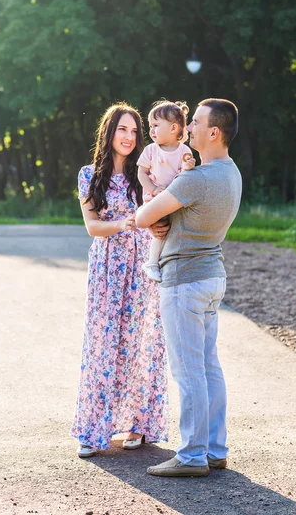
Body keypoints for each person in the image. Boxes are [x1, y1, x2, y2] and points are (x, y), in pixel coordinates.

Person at [136, 98, 242, 477]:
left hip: (185, 280)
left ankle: (192, 456)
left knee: (188, 371)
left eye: (195, 122)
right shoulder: (231, 174)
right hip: (212, 276)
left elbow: (143, 215)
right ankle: (215, 449)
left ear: (213, 132)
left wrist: (149, 219)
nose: (188, 128)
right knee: (209, 366)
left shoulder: (196, 178)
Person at [71, 102, 169, 458]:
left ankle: (138, 426)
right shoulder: (88, 175)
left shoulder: (145, 172)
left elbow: (164, 206)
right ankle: (93, 429)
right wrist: (125, 223)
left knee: (142, 343)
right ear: (109, 132)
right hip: (108, 267)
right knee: (103, 343)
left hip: (143, 263)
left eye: (134, 131)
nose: (128, 137)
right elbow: (93, 226)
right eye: (122, 129)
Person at [137, 100, 195, 283]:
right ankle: (152, 262)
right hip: (154, 198)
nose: (151, 130)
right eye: (150, 126)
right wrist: (153, 189)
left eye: (155, 125)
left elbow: (185, 175)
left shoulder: (184, 150)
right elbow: (141, 173)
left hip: (174, 198)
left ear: (173, 128)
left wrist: (188, 167)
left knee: (174, 228)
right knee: (162, 228)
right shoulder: (151, 150)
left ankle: (166, 261)